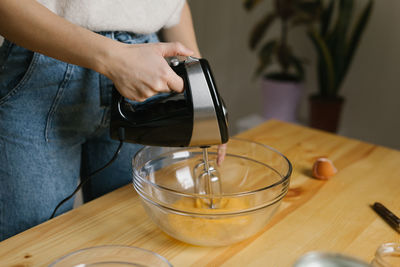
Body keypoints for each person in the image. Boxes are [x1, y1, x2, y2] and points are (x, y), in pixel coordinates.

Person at [0, 0, 226, 241]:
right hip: (42, 64)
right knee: (31, 246)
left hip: (146, 67)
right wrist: (114, 58)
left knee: (135, 242)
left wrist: (203, 86)